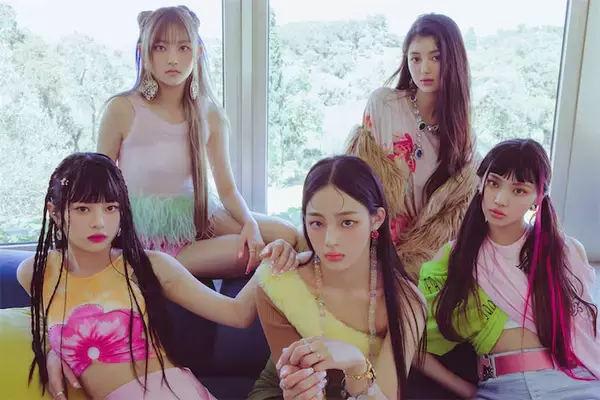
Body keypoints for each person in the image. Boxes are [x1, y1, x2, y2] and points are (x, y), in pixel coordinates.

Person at [15, 153, 292, 399]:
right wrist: (51, 352)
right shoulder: (35, 273)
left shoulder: (148, 265)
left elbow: (238, 314)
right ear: (54, 213)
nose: (99, 222)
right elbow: (49, 322)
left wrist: (273, 260)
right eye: (83, 209)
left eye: (110, 208)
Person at [97, 5, 301, 277]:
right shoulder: (123, 108)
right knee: (247, 251)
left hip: (197, 217)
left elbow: (227, 190)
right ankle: (156, 268)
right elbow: (99, 184)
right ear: (143, 53)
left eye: (183, 48)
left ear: (198, 52)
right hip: (147, 236)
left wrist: (250, 223)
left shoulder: (209, 113)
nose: (173, 59)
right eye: (160, 48)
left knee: (287, 234)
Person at [418, 139, 600, 399]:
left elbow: (588, 334)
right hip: (507, 386)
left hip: (579, 379)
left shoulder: (567, 251)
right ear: (480, 184)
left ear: (538, 198)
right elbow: (412, 343)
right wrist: (467, 391)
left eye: (519, 190)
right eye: (494, 183)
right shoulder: (453, 258)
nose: (500, 199)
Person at [248, 155, 426, 399]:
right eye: (317, 223)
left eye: (347, 222)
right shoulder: (281, 283)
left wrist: (355, 364)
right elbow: (297, 386)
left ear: (376, 219)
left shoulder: (405, 301)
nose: (330, 240)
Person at [345, 13, 478, 279]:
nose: (424, 69)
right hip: (370, 239)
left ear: (454, 60)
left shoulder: (463, 139)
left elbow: (453, 217)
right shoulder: (384, 105)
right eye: (415, 58)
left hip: (420, 259)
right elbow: (358, 178)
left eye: (436, 57)